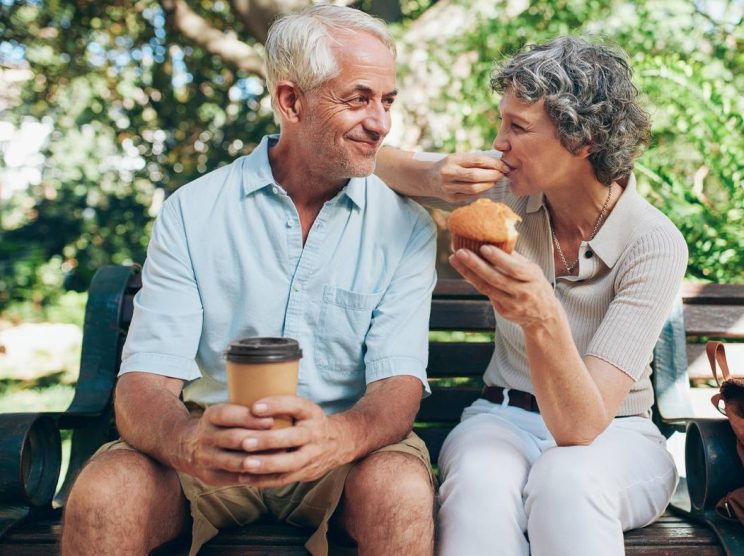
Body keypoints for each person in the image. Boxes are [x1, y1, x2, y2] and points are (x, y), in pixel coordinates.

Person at [61, 5, 436, 555]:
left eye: (386, 101)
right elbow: (145, 380)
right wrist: (189, 441)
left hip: (345, 446)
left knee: (399, 489)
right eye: (358, 99)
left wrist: (336, 438)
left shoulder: (406, 227)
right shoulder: (193, 210)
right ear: (291, 101)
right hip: (211, 441)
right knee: (105, 493)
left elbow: (396, 387)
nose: (380, 122)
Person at [376, 36, 688, 555]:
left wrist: (542, 317)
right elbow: (375, 161)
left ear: (581, 138)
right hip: (501, 418)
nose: (499, 142)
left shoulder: (653, 243)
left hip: (617, 436)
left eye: (518, 128)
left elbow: (582, 426)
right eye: (503, 122)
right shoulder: (504, 189)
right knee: (479, 484)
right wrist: (433, 173)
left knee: (567, 478)